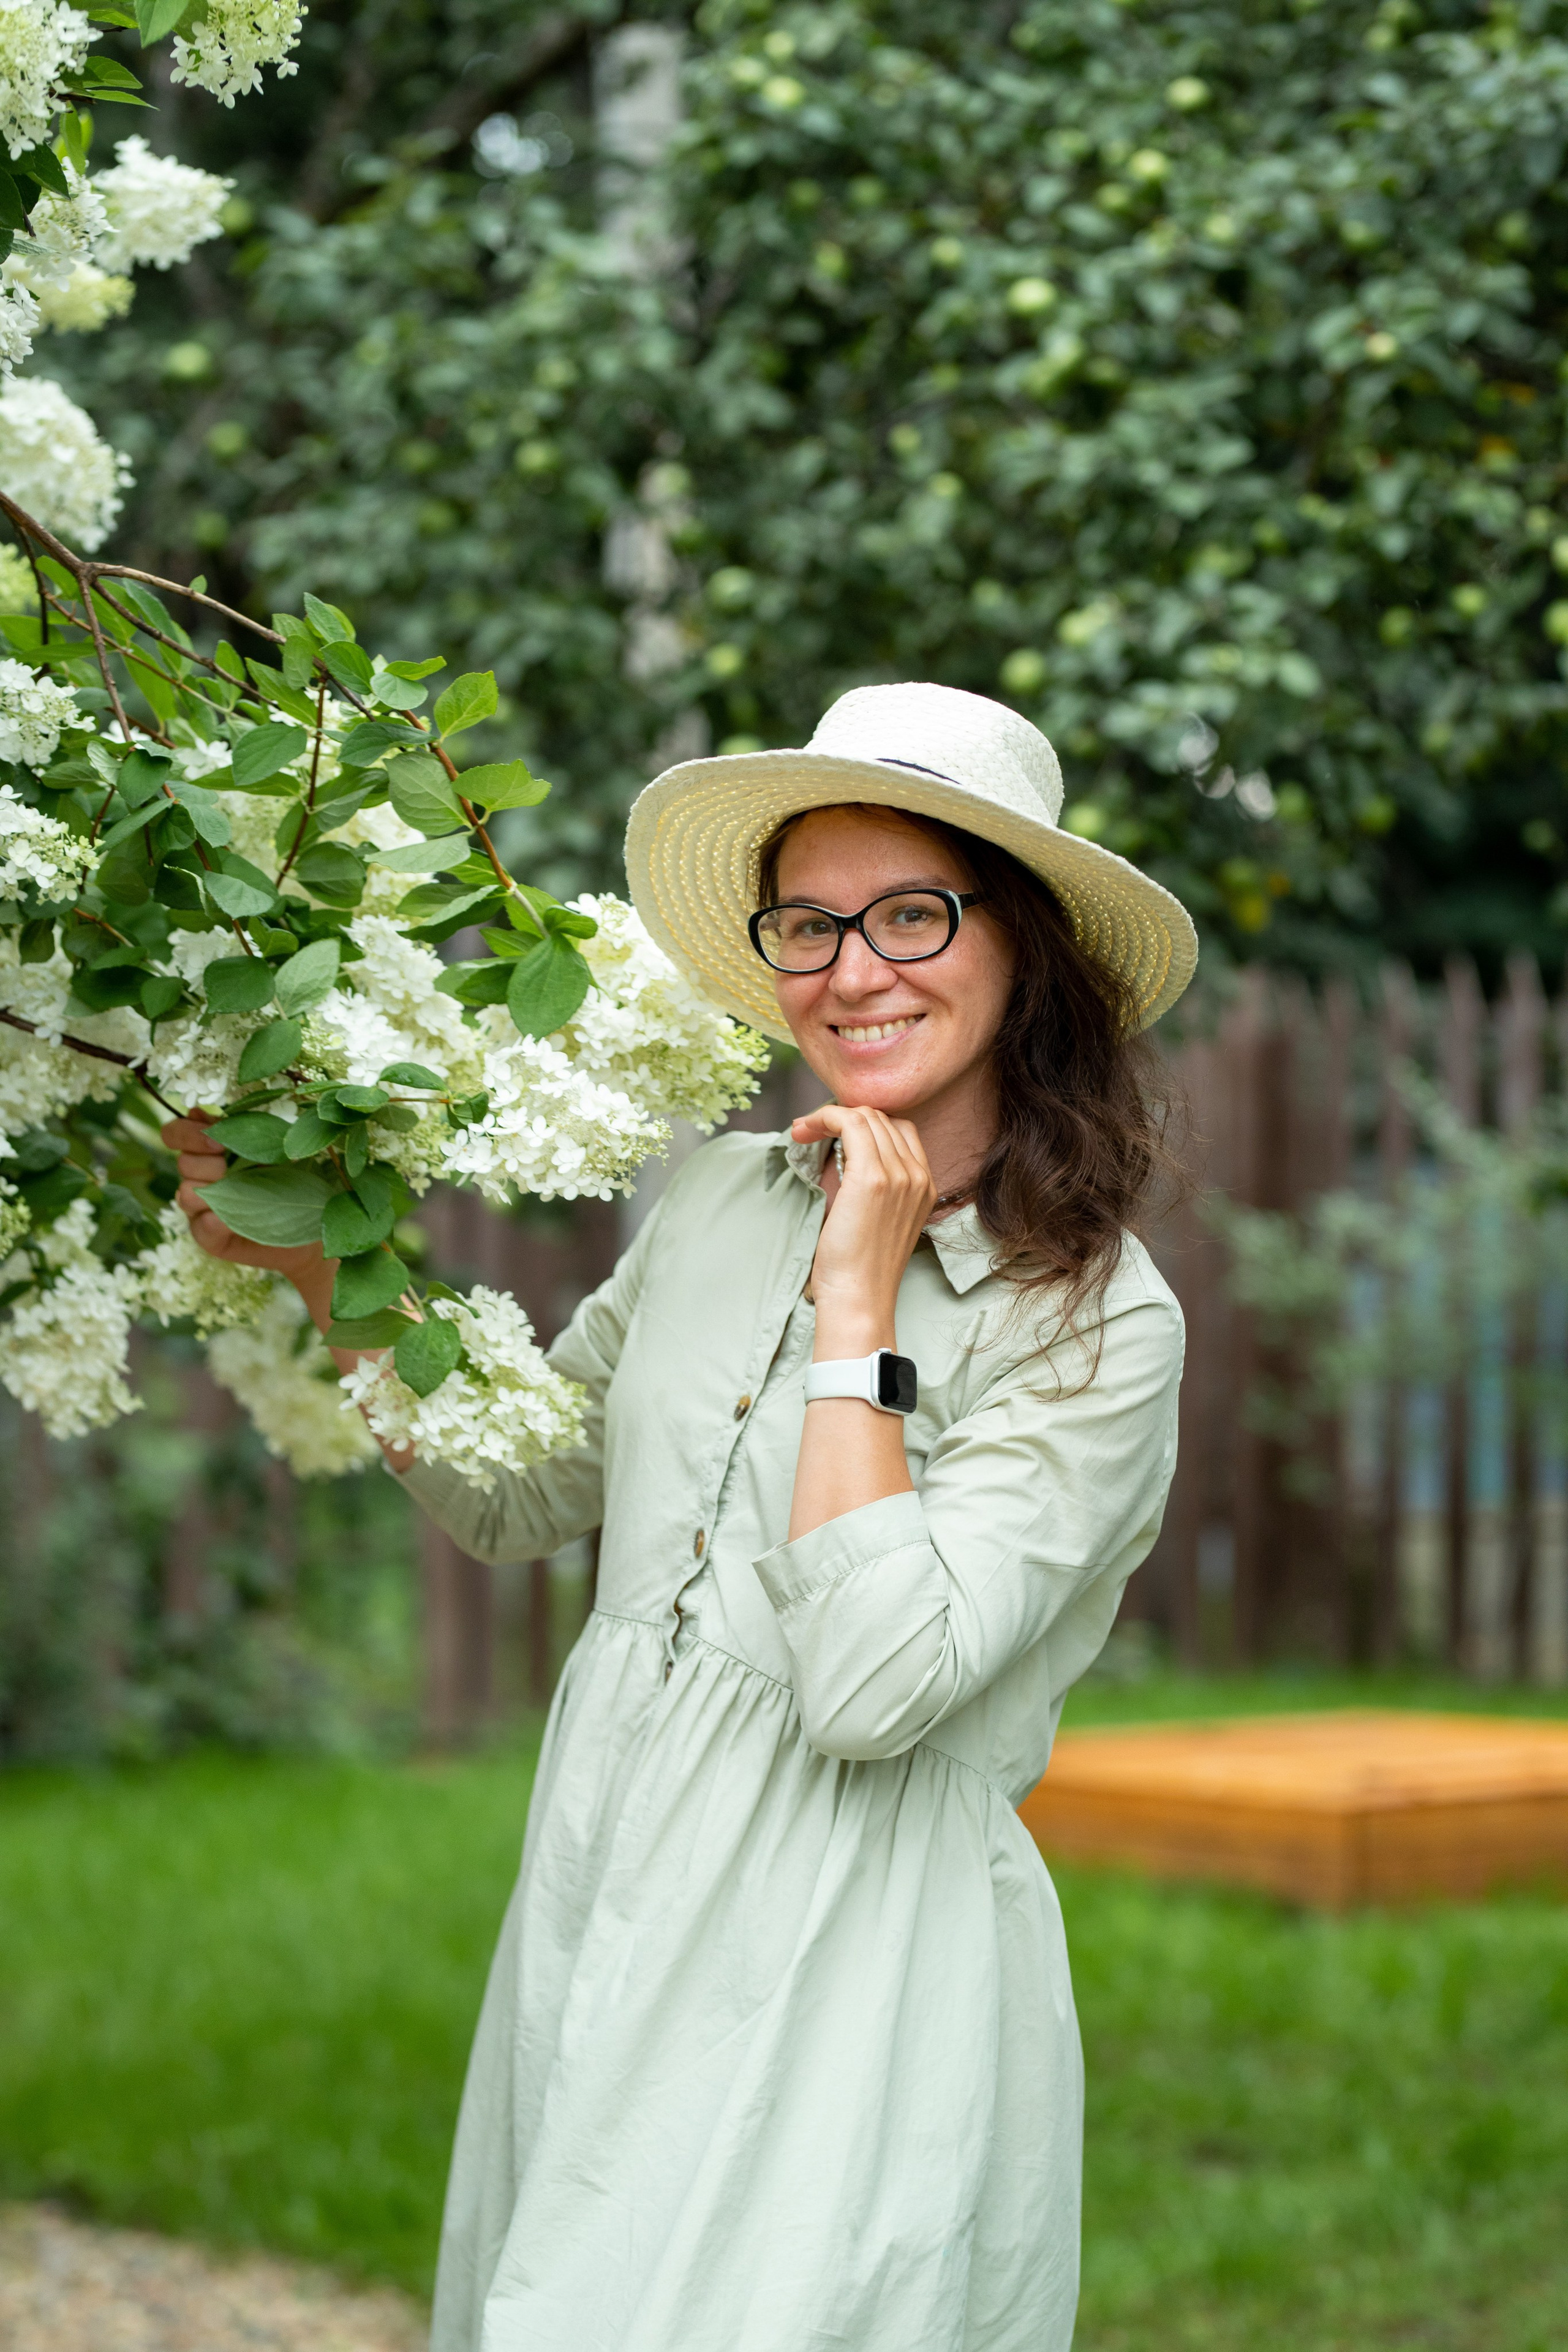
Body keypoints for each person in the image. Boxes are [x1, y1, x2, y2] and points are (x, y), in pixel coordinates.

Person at [168, 681, 1197, 2352]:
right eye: (809, 923)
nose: (854, 971)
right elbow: (525, 1492)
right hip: (608, 1865)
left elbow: (872, 1687)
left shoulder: (1093, 1323)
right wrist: (320, 1269)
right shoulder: (719, 1196)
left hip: (848, 1951)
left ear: (1024, 946)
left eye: (912, 914)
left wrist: (858, 1304)